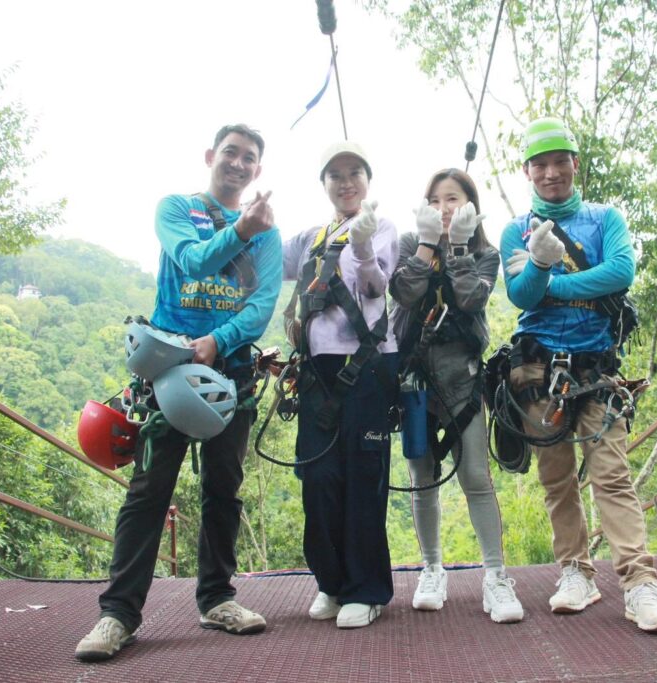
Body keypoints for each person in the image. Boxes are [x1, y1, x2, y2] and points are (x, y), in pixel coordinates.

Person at [75, 124, 283, 661]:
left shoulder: (267, 230)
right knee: (149, 490)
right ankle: (117, 614)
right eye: (231, 153)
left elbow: (262, 305)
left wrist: (219, 340)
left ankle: (217, 598)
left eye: (249, 158)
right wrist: (241, 231)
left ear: (257, 170)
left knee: (224, 487)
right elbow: (192, 260)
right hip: (167, 371)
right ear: (211, 156)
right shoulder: (175, 209)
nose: (238, 164)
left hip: (230, 374)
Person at [500, 117, 657, 632]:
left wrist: (550, 279)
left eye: (560, 162)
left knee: (612, 476)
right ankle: (576, 573)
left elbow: (621, 272)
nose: (551, 173)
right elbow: (519, 296)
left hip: (597, 366)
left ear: (575, 165)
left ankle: (640, 583)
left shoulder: (604, 219)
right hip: (538, 368)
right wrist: (539, 270)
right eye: (541, 165)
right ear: (528, 171)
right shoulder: (517, 229)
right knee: (556, 478)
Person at [389, 169, 523, 624]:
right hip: (417, 379)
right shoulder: (411, 245)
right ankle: (431, 568)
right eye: (435, 199)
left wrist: (460, 250)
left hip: (464, 377)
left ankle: (495, 575)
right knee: (420, 476)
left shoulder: (486, 253)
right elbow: (404, 292)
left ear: (469, 204)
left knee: (476, 478)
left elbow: (470, 301)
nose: (444, 208)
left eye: (453, 198)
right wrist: (428, 246)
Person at [282, 142, 399, 629]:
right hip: (316, 370)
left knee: (362, 476)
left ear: (368, 180)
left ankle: (366, 589)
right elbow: (271, 268)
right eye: (335, 174)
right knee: (319, 477)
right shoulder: (309, 237)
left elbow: (376, 289)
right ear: (324, 183)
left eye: (354, 172)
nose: (345, 182)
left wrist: (365, 247)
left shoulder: (383, 227)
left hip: (367, 364)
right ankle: (330, 580)